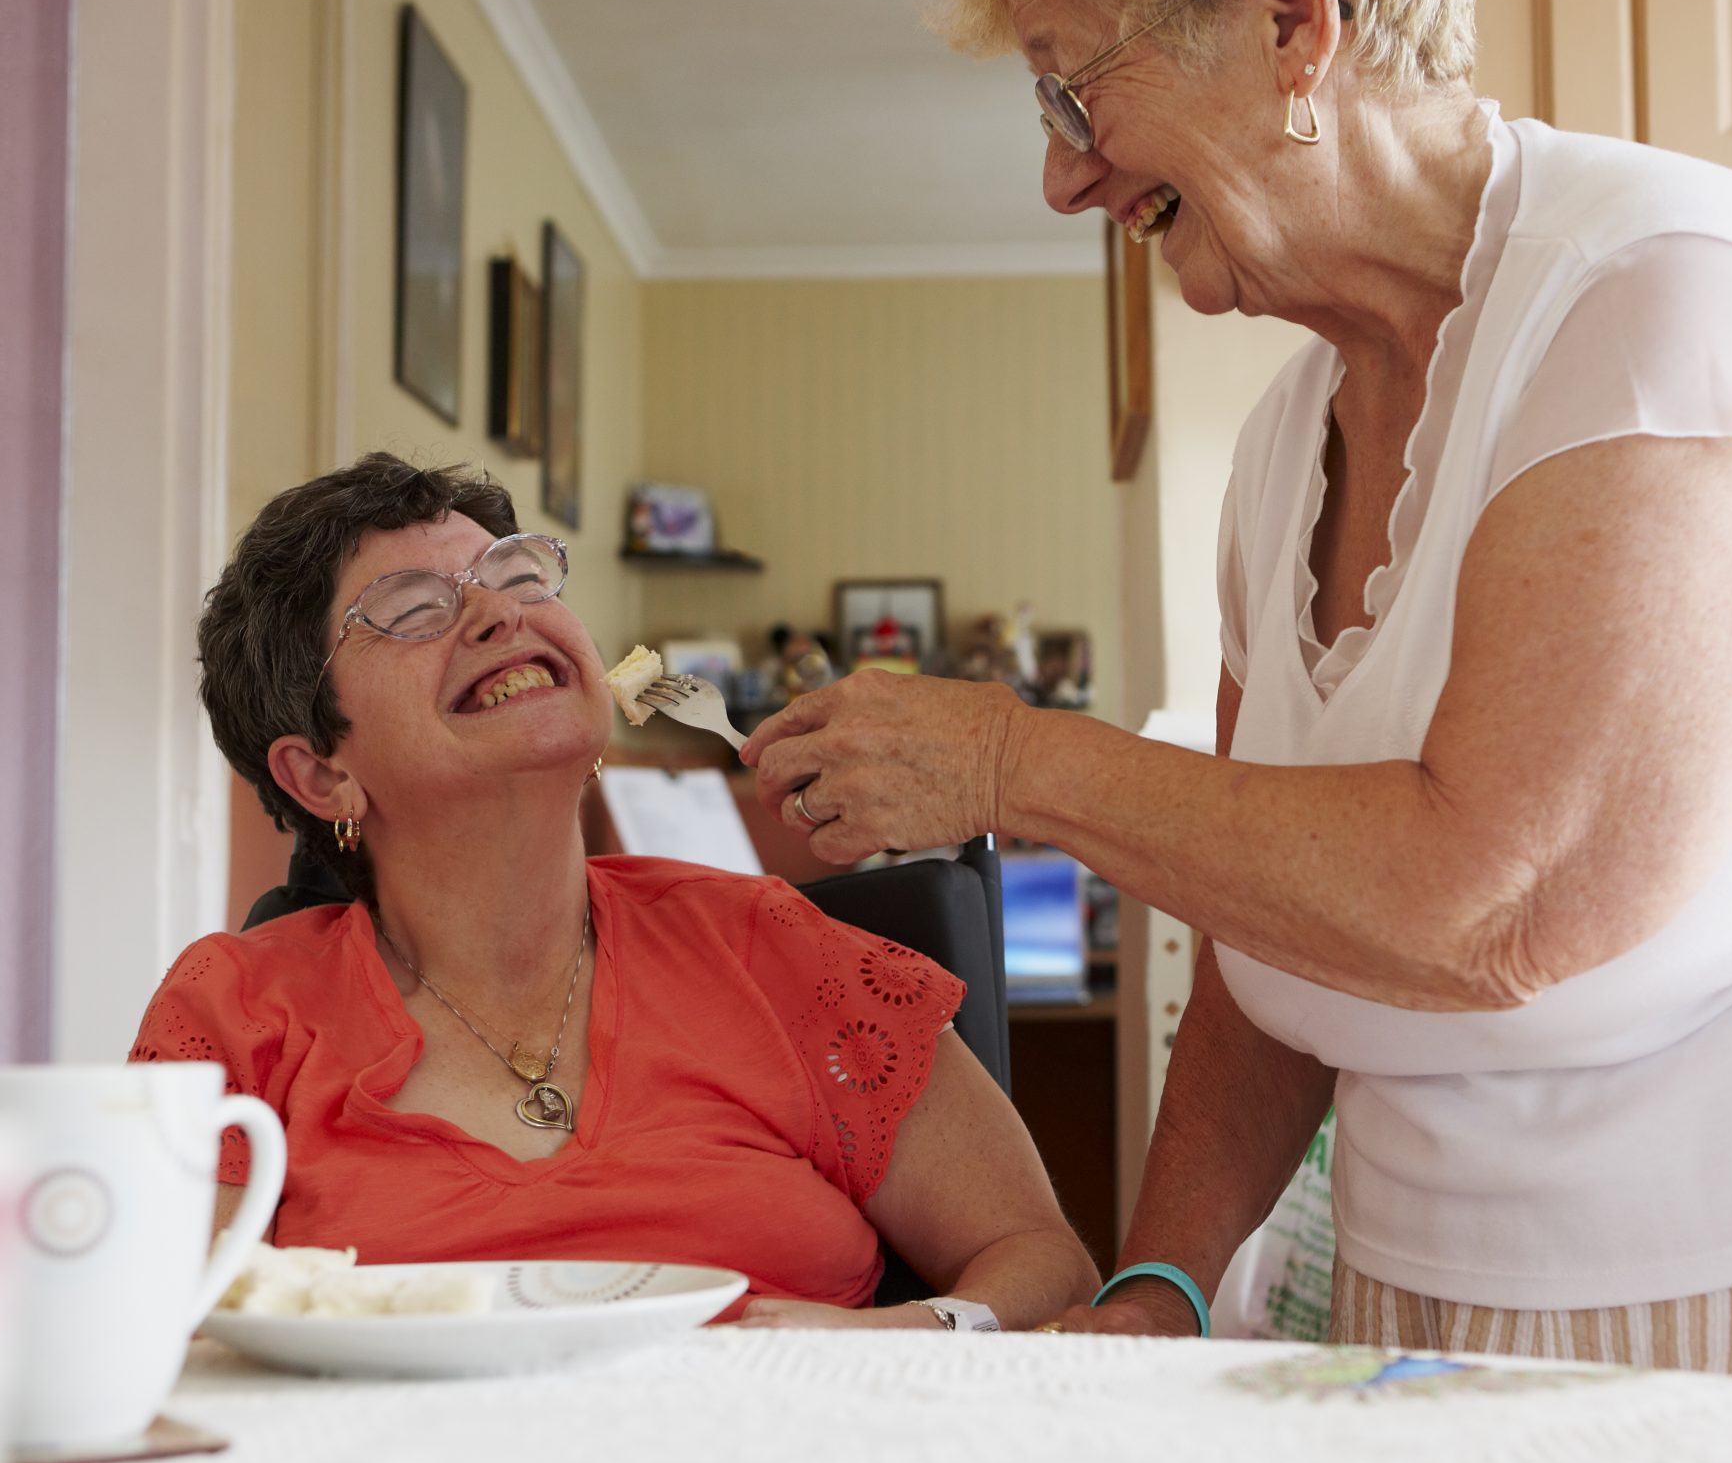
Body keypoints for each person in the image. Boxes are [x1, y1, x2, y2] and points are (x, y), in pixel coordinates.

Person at [743, 0, 1732, 1440]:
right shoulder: (1275, 458)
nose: (1059, 173)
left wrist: (1010, 759)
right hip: (1463, 1273)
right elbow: (1272, 950)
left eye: (1071, 88)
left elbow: (1503, 896)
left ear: (1290, 18)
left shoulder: (1666, 284)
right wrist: (1165, 1280)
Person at [131, 455, 1096, 1332]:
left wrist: (900, 1337)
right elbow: (158, 1335)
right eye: (416, 606)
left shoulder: (773, 950)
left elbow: (1042, 1260)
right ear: (320, 774)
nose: (501, 611)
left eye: (518, 575)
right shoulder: (232, 1016)